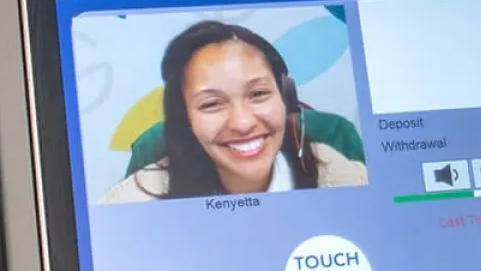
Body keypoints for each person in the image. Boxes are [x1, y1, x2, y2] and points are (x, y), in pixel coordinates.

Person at [101, 21, 368, 201]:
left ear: (286, 98)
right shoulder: (132, 202)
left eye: (258, 94)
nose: (242, 123)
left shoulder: (348, 182)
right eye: (212, 104)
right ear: (186, 117)